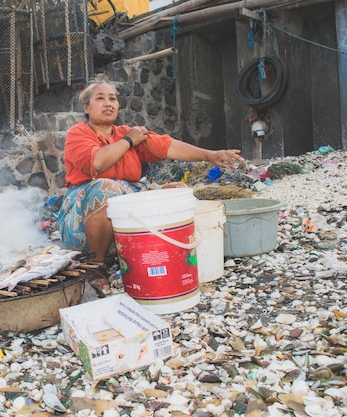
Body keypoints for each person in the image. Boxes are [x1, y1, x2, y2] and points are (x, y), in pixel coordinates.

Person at [58, 79, 245, 296]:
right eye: (100, 98)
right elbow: (98, 163)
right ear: (87, 107)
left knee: (175, 190)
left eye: (113, 98)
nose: (108, 103)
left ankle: (141, 253)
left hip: (122, 217)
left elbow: (168, 146)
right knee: (106, 188)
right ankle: (97, 264)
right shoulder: (79, 133)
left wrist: (209, 155)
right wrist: (129, 140)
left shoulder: (126, 132)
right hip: (82, 223)